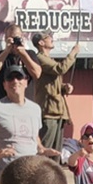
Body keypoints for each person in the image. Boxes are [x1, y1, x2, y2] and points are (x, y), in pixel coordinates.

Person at [32, 30, 79, 160]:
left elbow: (51, 85)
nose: (52, 39)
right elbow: (60, 69)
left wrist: (64, 88)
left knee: (56, 153)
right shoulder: (40, 58)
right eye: (48, 37)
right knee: (46, 151)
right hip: (49, 112)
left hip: (58, 111)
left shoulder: (48, 59)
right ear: (41, 43)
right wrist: (73, 53)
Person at [0, 24, 41, 100]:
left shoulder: (30, 54)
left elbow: (37, 74)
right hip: (4, 102)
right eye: (11, 38)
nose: (14, 41)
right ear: (5, 38)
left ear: (22, 37)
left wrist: (23, 53)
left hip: (25, 102)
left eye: (17, 38)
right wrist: (6, 51)